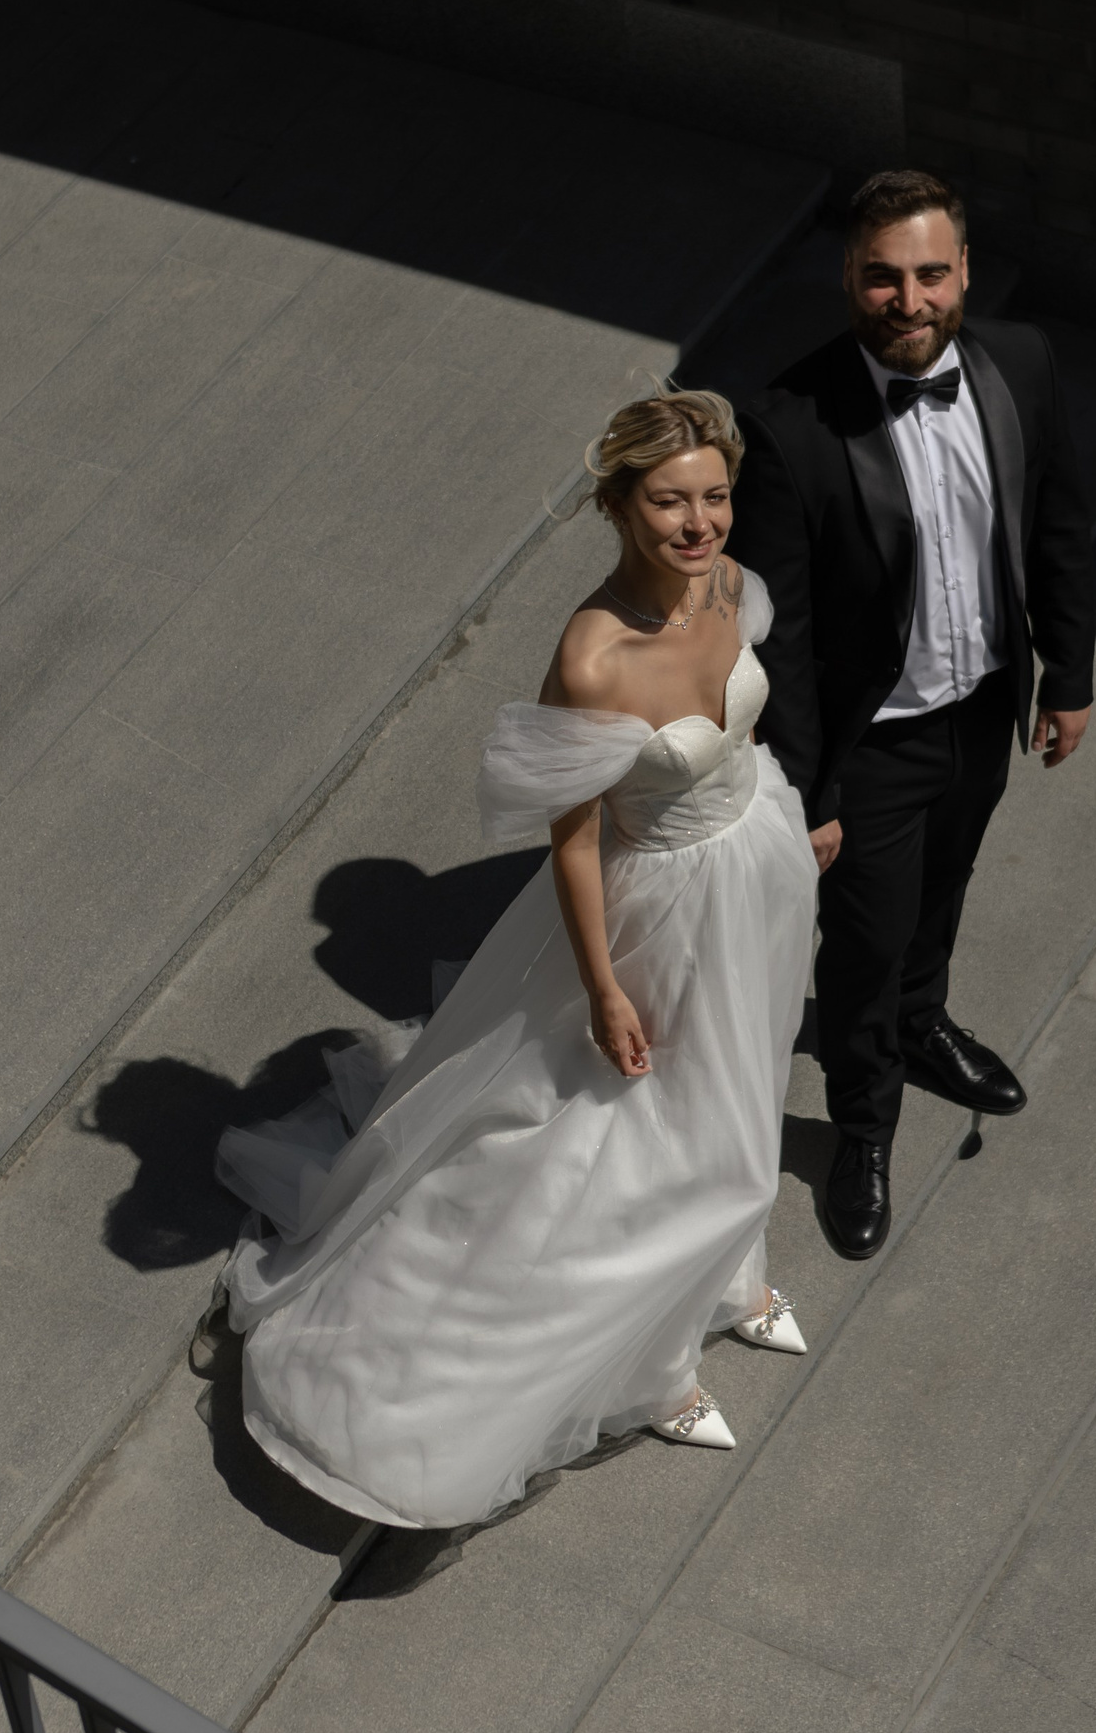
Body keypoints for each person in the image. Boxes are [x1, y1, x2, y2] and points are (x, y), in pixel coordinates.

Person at [215, 389, 820, 1532]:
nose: (699, 524)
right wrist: (603, 986)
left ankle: (729, 1277)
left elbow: (746, 721)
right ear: (619, 505)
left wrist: (787, 820)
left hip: (759, 868)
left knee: (745, 1086)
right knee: (650, 1132)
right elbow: (575, 839)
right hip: (657, 911)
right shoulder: (592, 658)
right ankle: (652, 1375)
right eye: (670, 502)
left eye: (714, 497)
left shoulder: (731, 585)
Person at [730, 170, 1096, 1263]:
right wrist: (811, 788)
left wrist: (1068, 674)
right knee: (865, 943)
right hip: (872, 742)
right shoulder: (788, 425)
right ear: (849, 276)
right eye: (883, 277)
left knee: (945, 886)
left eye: (931, 273)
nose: (910, 299)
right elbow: (782, 636)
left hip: (984, 707)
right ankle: (862, 1125)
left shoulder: (1022, 363)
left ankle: (923, 1020)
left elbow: (1058, 525)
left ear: (965, 271)